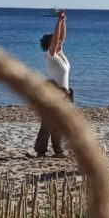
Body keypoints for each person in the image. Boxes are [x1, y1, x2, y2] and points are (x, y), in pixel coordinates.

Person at [34, 10, 72, 157]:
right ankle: (40, 151)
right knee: (48, 124)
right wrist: (58, 22)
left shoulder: (61, 55)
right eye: (56, 42)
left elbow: (61, 37)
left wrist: (64, 21)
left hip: (64, 94)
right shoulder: (51, 56)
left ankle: (58, 151)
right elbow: (56, 39)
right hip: (53, 93)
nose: (60, 43)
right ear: (51, 45)